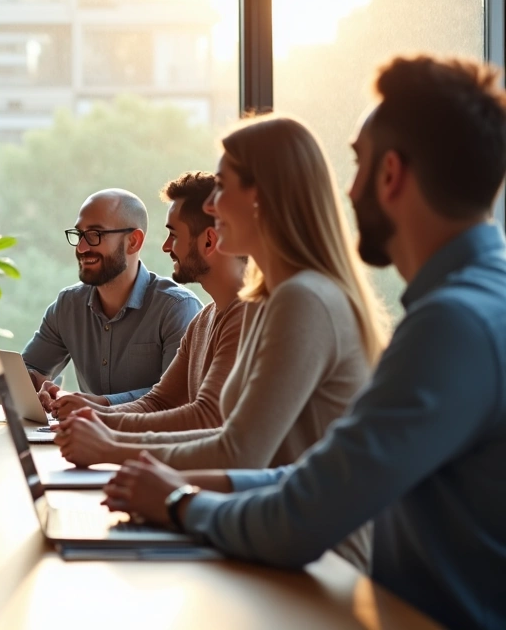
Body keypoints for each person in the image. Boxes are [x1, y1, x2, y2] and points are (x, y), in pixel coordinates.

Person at [104, 54, 506, 630]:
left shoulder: (453, 326)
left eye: (357, 164)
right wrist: (172, 482)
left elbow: (300, 518)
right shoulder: (474, 304)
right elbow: (318, 474)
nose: (347, 188)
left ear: (391, 174)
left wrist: (175, 502)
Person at [54, 115, 387, 475]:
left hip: (295, 528)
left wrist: (111, 446)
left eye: (222, 188)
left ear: (259, 197)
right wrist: (99, 425)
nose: (211, 207)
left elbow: (234, 449)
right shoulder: (267, 302)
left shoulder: (301, 300)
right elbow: (184, 414)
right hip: (262, 518)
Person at [45, 172, 249, 433]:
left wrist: (107, 442)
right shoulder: (203, 320)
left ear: (208, 240)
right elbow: (159, 402)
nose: (165, 247)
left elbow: (205, 418)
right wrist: (90, 415)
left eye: (173, 235)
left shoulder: (246, 315)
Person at [24, 188, 201, 407]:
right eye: (79, 234)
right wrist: (39, 386)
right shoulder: (68, 305)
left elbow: (178, 398)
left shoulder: (176, 308)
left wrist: (101, 405)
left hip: (152, 441)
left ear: (133, 241)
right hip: (86, 437)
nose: (81, 247)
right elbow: (27, 369)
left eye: (95, 235)